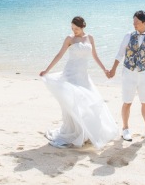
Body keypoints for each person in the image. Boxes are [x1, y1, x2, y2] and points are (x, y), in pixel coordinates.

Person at [39, 16, 119, 149]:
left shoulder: (90, 38)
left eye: (76, 28)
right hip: (70, 74)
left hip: (83, 76)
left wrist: (105, 69)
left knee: (88, 103)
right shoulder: (69, 39)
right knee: (73, 103)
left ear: (83, 26)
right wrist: (47, 69)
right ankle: (76, 132)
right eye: (72, 28)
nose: (74, 31)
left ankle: (85, 132)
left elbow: (95, 56)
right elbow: (59, 55)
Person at [107, 10, 145, 142]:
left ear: (144, 23)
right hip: (129, 73)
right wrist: (113, 69)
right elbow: (120, 54)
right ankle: (125, 129)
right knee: (127, 102)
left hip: (144, 75)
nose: (134, 24)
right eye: (133, 21)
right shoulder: (128, 35)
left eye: (137, 22)